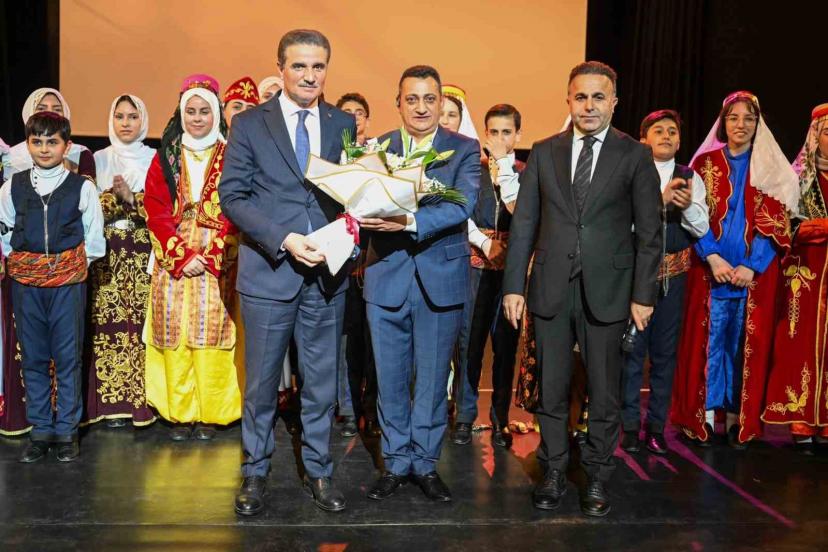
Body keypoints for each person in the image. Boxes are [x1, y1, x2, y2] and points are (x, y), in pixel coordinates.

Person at [502, 61, 662, 517]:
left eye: (598, 97)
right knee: (551, 387)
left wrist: (643, 295)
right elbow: (525, 223)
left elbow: (650, 233)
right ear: (568, 100)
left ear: (614, 102)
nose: (588, 106)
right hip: (551, 285)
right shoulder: (545, 152)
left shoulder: (634, 155)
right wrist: (514, 286)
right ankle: (553, 468)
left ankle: (596, 474)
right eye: (580, 97)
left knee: (605, 392)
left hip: (610, 289)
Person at [219, 29, 356, 515]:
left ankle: (319, 471)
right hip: (270, 271)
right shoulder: (250, 124)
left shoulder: (342, 123)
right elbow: (232, 196)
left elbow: (350, 194)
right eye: (299, 66)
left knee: (320, 384)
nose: (309, 75)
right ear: (280, 68)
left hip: (325, 277)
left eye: (318, 66)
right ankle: (255, 472)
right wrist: (284, 238)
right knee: (260, 385)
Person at [361, 65, 479, 503]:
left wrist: (408, 221)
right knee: (390, 377)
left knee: (431, 379)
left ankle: (425, 464)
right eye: (412, 99)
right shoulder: (377, 149)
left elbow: (462, 203)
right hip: (386, 275)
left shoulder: (463, 148)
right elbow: (359, 201)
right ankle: (395, 462)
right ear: (398, 104)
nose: (422, 107)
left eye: (430, 99)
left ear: (441, 102)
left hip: (440, 279)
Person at [672, 91, 798, 449]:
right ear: (723, 123)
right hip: (709, 272)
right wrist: (712, 256)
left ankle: (738, 421)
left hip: (751, 277)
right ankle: (705, 418)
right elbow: (691, 215)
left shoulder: (769, 166)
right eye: (733, 118)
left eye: (748, 118)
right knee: (707, 345)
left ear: (758, 124)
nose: (741, 125)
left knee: (744, 346)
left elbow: (776, 222)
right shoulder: (704, 164)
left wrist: (752, 265)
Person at [0, 112, 105, 462]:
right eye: (37, 141)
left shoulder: (82, 187)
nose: (44, 149)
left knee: (67, 357)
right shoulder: (12, 187)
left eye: (52, 142)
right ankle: (41, 429)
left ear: (67, 146)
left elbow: (94, 239)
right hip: (26, 284)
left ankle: (66, 431)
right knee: (33, 356)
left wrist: (65, 269)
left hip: (67, 285)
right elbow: (5, 232)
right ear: (28, 144)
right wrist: (28, 266)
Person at [143, 74, 242, 442]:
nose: (197, 118)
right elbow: (155, 208)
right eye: (191, 111)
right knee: (175, 331)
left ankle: (212, 414)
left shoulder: (232, 155)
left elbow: (237, 206)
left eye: (204, 111)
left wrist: (213, 254)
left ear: (216, 114)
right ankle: (180, 413)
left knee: (212, 332)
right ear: (181, 114)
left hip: (219, 252)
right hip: (174, 255)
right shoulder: (165, 157)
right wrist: (181, 257)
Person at [620, 110, 709, 454]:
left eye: (673, 131)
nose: (667, 136)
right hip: (635, 276)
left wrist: (685, 208)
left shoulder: (689, 176)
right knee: (631, 351)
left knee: (664, 354)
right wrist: (659, 202)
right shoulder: (631, 172)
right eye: (659, 131)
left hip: (674, 276)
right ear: (644, 139)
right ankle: (629, 427)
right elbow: (620, 224)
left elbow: (701, 228)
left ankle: (656, 428)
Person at [452, 104, 525, 449]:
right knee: (469, 343)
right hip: (475, 267)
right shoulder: (473, 169)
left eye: (506, 132)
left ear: (518, 136)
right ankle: (464, 416)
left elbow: (527, 216)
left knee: (506, 347)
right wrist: (483, 243)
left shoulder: (525, 173)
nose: (498, 139)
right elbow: (459, 213)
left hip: (510, 274)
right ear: (484, 134)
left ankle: (500, 419)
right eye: (493, 132)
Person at [86, 94, 157, 428]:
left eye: (132, 116)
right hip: (108, 253)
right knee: (108, 325)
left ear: (143, 120)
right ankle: (112, 404)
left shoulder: (155, 159)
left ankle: (145, 403)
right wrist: (112, 199)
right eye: (119, 116)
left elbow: (164, 208)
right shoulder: (98, 159)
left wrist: (132, 198)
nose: (125, 123)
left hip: (144, 251)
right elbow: (86, 207)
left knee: (143, 324)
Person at [762, 102, 828, 452]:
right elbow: (786, 225)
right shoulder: (797, 178)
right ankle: (801, 421)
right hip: (805, 277)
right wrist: (818, 228)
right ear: (815, 136)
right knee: (800, 344)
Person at [333, 92, 379, 438]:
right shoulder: (328, 156)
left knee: (375, 338)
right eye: (346, 112)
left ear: (367, 119)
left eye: (359, 113)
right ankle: (348, 409)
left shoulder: (381, 157)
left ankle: (373, 408)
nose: (353, 118)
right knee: (344, 340)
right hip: (338, 262)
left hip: (374, 258)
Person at [4, 88, 96, 183]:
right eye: (41, 109)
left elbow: (88, 190)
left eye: (57, 109)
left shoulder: (80, 154)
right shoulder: (10, 157)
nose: (49, 113)